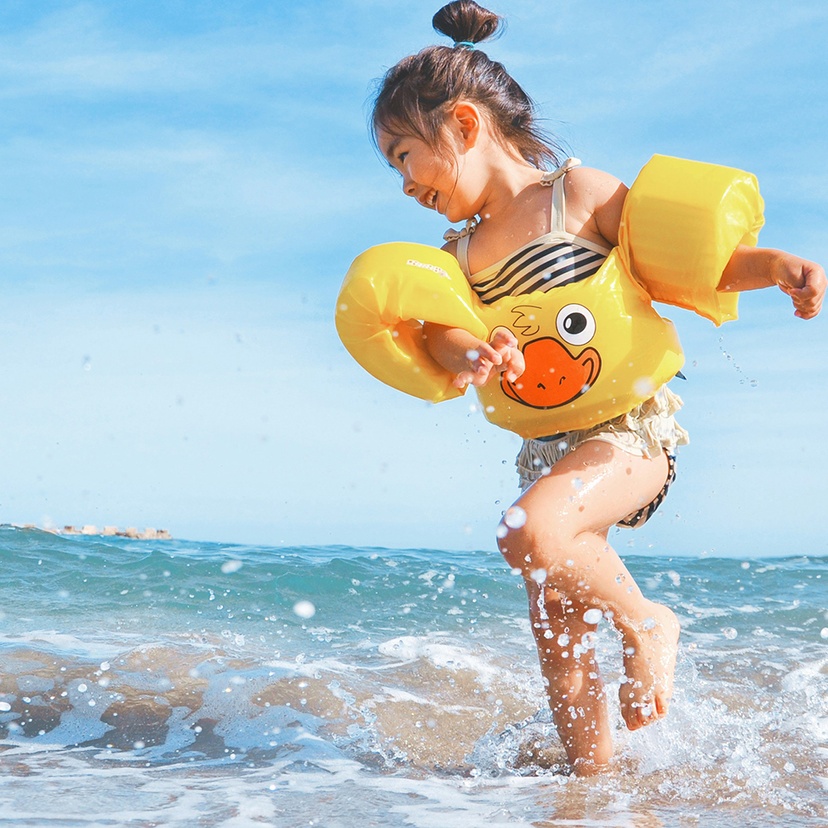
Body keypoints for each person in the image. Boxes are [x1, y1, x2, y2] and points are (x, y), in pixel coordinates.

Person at [368, 0, 826, 775]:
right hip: (545, 451)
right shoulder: (460, 251)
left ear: (466, 125)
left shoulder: (575, 196)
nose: (404, 182)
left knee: (527, 534)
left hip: (631, 433)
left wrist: (775, 264)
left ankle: (648, 625)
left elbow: (687, 263)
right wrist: (474, 351)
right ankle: (591, 790)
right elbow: (442, 334)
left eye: (404, 154)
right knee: (558, 635)